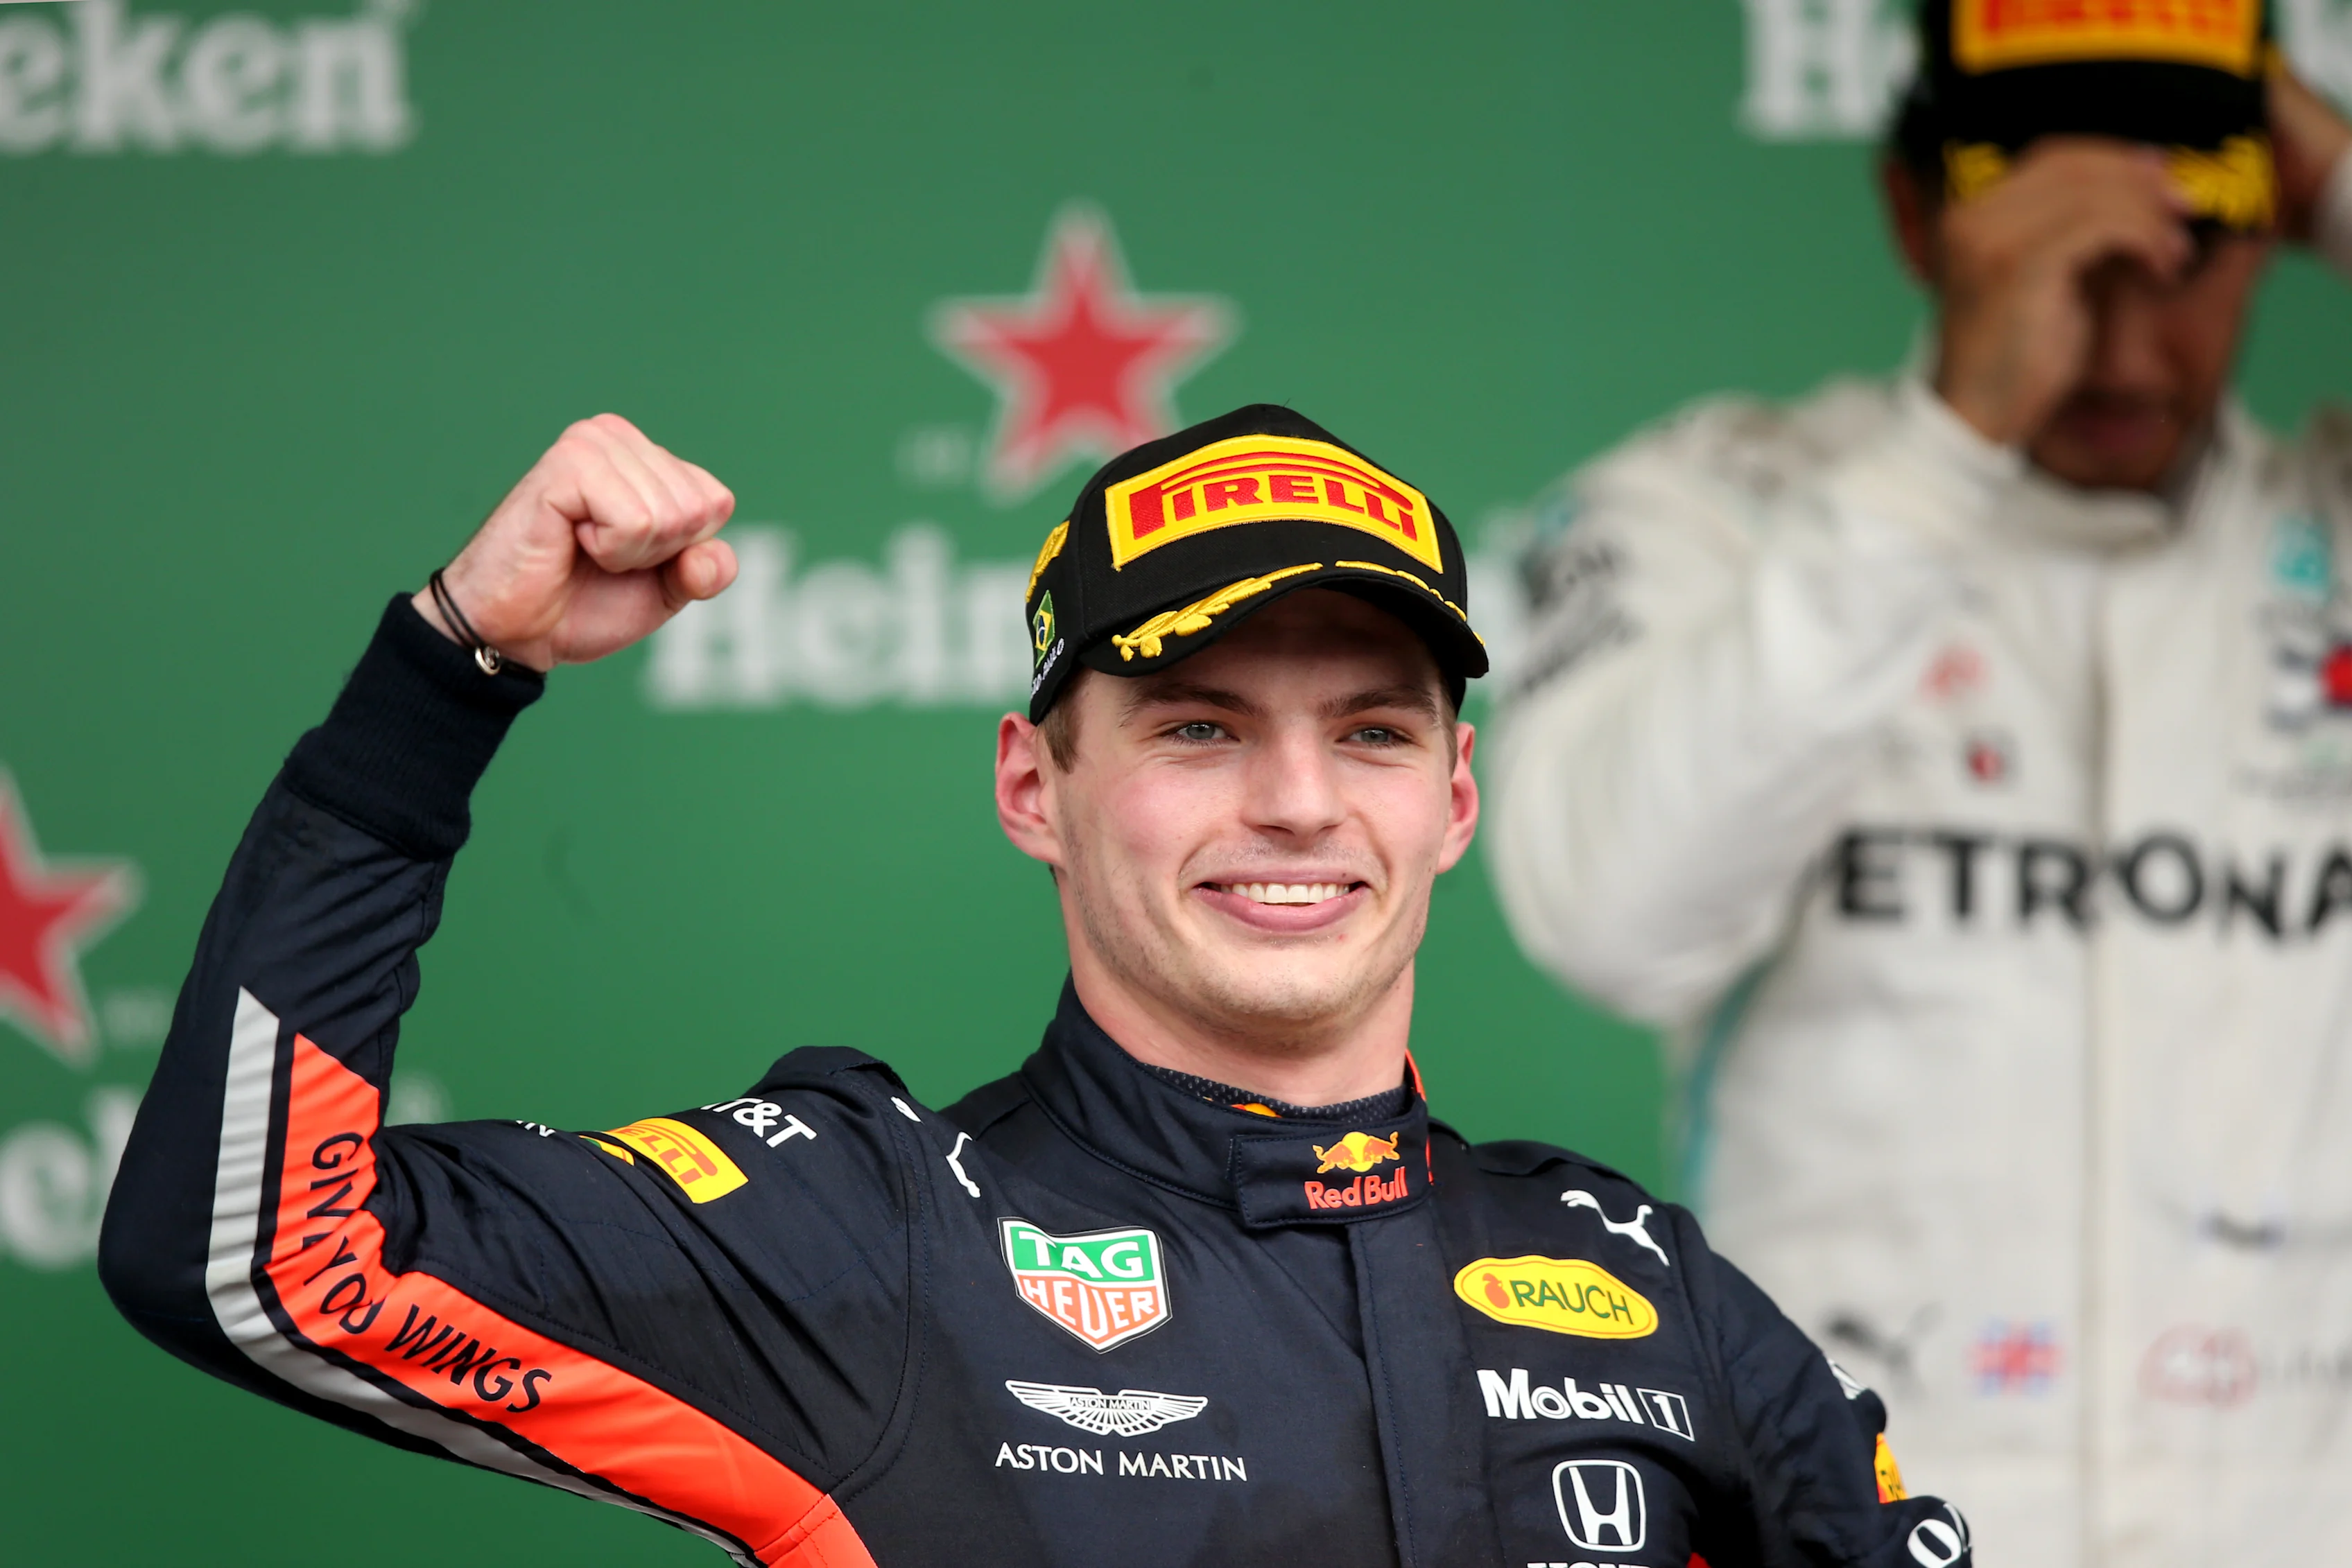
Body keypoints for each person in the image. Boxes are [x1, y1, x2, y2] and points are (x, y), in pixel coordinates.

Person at [98, 403, 1966, 1567]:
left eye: (1372, 729)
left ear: (1455, 797)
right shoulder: (873, 1230)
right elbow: (256, 1248)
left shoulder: (1647, 1288)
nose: (1300, 798)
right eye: (1201, 725)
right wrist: (445, 675)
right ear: (1032, 784)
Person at [1487, 2, 2352, 1564]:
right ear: (1914, 212)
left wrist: (2341, 183)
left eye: (2186, 247)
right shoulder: (1719, 509)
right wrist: (1941, 459)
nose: (2118, 327)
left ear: (2267, 219)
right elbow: (1604, 912)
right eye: (2051, 246)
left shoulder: (2331, 530)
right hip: (1848, 1525)